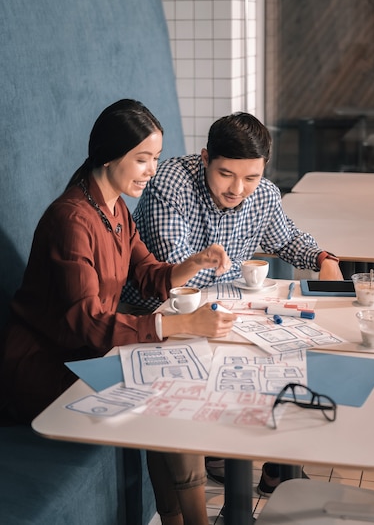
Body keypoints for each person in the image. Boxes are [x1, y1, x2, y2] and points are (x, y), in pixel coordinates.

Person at [0, 99, 237, 525]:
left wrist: (195, 262)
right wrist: (179, 323)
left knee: (172, 382)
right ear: (109, 156)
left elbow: (147, 273)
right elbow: (86, 321)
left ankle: (178, 520)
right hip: (43, 368)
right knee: (167, 388)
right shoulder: (71, 220)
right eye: (142, 159)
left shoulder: (115, 210)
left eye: (156, 159)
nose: (151, 170)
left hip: (87, 354)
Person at [121, 111, 343, 496]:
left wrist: (325, 258)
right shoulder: (170, 185)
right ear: (206, 158)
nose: (238, 189)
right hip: (158, 318)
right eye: (226, 174)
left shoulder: (264, 195)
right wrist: (231, 280)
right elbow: (178, 275)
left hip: (222, 314)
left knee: (294, 354)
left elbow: (287, 238)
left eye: (251, 177)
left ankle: (277, 467)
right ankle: (226, 457)